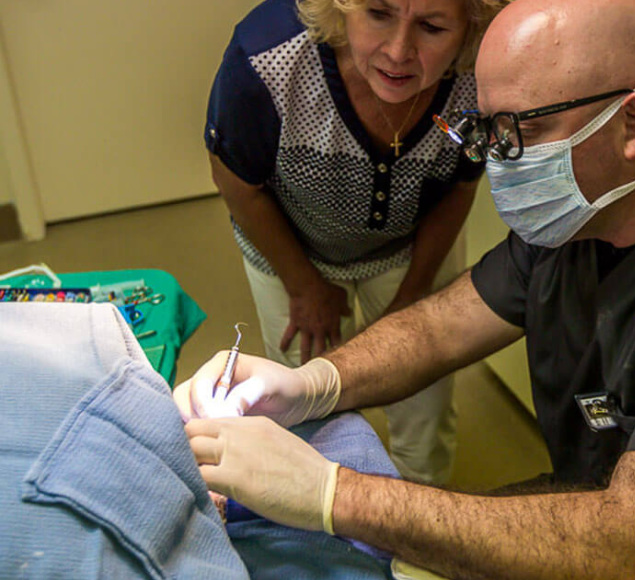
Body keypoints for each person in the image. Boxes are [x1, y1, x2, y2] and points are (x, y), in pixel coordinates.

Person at [176, 0, 635, 577]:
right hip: (590, 516)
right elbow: (439, 327)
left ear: (631, 124)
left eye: (522, 130)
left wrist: (332, 494)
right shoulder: (575, 225)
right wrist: (313, 384)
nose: (497, 161)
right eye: (487, 130)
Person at [204, 0, 507, 485]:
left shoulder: (483, 74)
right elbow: (236, 182)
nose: (398, 51)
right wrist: (303, 287)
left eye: (431, 27)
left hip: (413, 245)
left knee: (424, 409)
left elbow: (460, 186)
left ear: (469, 30)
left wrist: (415, 295)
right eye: (378, 14)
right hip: (290, 247)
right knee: (302, 403)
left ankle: (418, 511)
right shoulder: (265, 59)